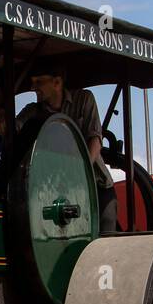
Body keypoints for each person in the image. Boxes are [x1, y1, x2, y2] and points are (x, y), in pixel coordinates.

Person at [21, 64, 116, 232]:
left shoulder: (84, 99)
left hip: (95, 185)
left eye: (39, 82)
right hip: (58, 192)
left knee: (106, 240)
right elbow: (9, 129)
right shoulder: (33, 111)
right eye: (32, 82)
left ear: (57, 82)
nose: (33, 87)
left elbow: (95, 141)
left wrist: (78, 173)